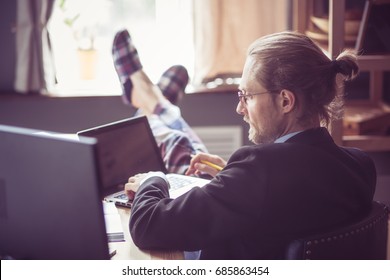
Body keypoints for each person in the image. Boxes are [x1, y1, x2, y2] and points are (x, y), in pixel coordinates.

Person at [125, 31, 377, 260]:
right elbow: (287, 205)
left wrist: (154, 179)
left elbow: (148, 226)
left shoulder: (258, 171)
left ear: (286, 101)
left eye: (246, 96)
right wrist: (230, 177)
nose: (239, 108)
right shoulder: (360, 166)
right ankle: (159, 105)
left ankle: (155, 106)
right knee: (182, 145)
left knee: (171, 139)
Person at [112, 29, 208, 175]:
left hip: (194, 184)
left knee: (174, 139)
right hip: (206, 180)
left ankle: (150, 99)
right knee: (201, 160)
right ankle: (157, 100)